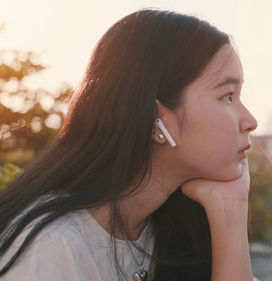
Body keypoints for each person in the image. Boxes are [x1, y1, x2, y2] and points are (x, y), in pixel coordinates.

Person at [0, 8, 258, 281]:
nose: (250, 121)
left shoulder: (172, 224)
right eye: (227, 96)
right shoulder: (51, 249)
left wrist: (232, 209)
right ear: (155, 117)